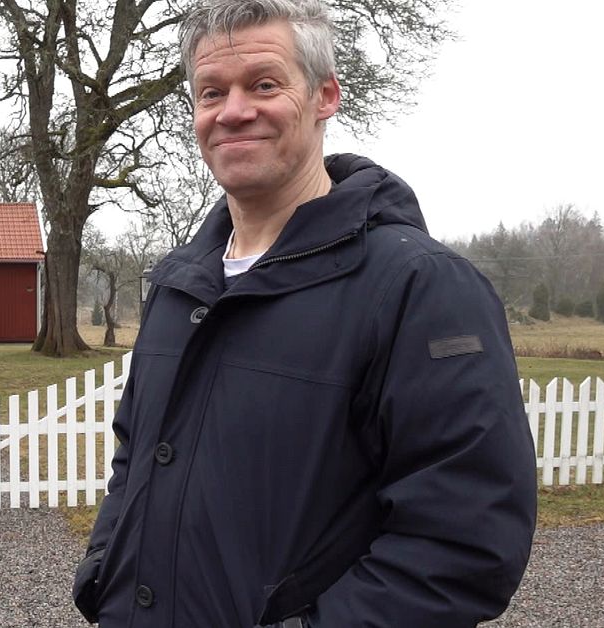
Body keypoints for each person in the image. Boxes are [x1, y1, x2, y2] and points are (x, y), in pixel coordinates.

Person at [71, 1, 537, 626]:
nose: (233, 111)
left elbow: (464, 539)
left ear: (325, 96)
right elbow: (139, 454)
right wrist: (104, 572)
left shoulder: (419, 288)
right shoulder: (179, 286)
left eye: (264, 84)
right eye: (212, 92)